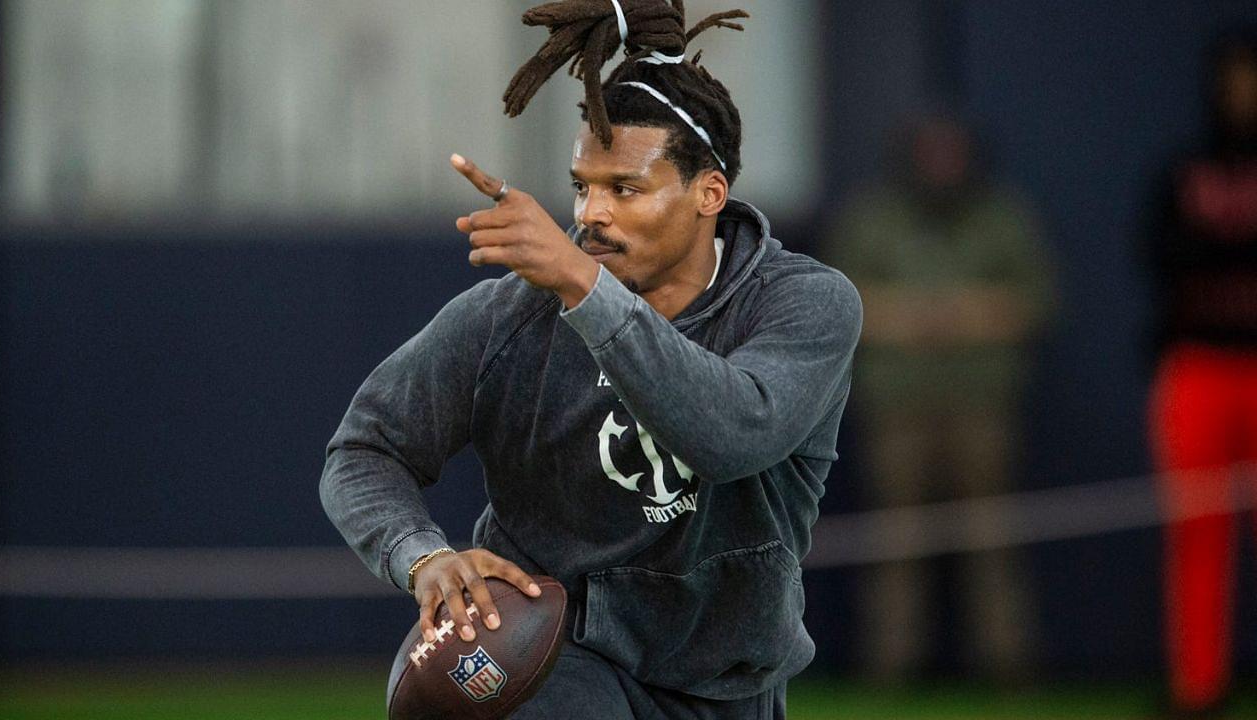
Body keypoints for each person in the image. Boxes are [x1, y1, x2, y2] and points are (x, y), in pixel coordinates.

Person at [319, 2, 862, 718]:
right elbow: (365, 448)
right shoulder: (511, 313)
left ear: (709, 193)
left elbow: (733, 435)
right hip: (559, 660)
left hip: (732, 676)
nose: (589, 214)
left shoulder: (804, 304)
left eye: (624, 189)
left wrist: (584, 285)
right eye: (581, 186)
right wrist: (421, 556)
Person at [822, 113, 1052, 682]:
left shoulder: (1002, 218)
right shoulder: (873, 220)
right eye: (930, 153)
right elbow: (834, 304)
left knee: (992, 541)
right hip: (896, 412)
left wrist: (960, 314)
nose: (941, 166)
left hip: (983, 409)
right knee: (895, 546)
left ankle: (1011, 672)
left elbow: (1037, 301)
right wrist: (912, 317)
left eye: (952, 154)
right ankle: (888, 673)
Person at [1147, 32, 1257, 719]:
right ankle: (1199, 689)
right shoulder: (1184, 169)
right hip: (1197, 369)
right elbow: (1161, 257)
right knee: (1198, 534)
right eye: (1236, 77)